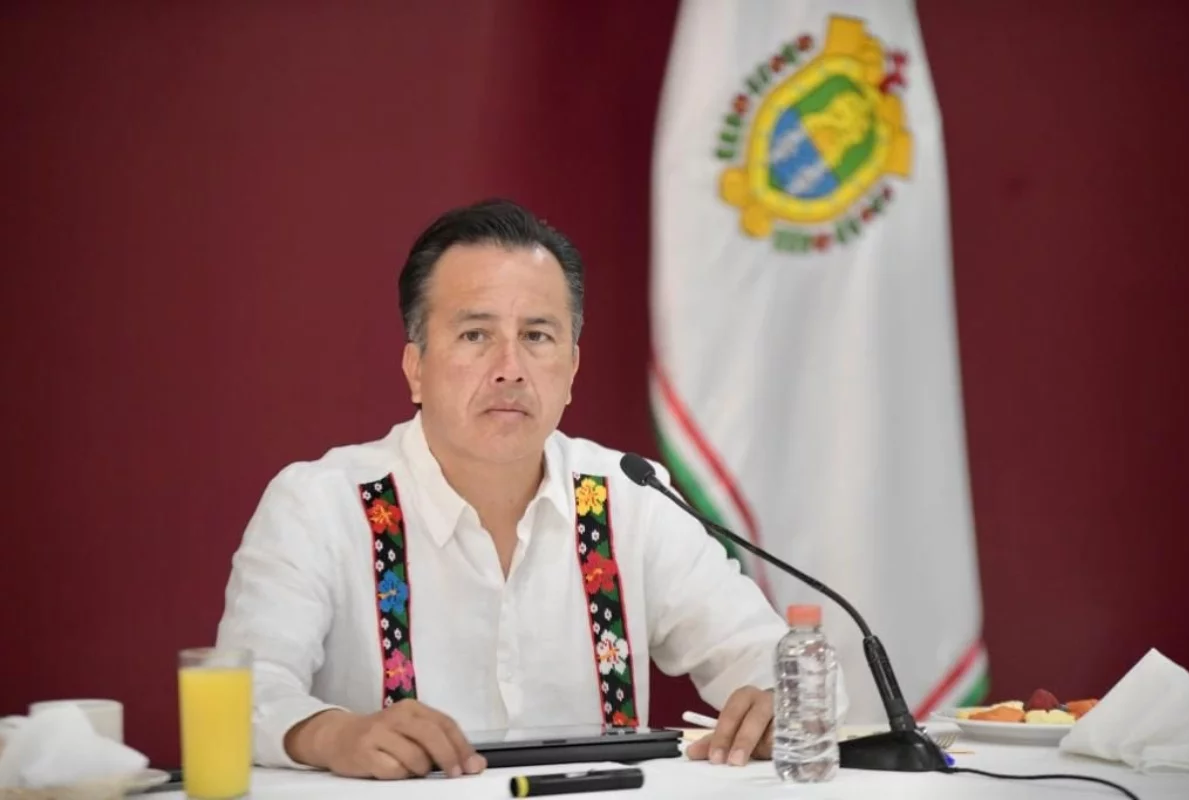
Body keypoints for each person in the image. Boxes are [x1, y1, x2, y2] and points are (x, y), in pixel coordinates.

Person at [214, 198, 848, 781]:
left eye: (537, 336)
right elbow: (239, 697)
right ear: (416, 368)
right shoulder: (320, 505)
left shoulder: (632, 498)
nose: (510, 369)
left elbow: (780, 663)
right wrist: (333, 735)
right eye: (475, 335)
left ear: (571, 369)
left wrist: (782, 701)